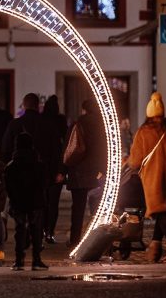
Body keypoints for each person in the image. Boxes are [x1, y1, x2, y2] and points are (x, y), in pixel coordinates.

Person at [128, 92, 166, 263]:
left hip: (153, 179)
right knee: (163, 211)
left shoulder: (143, 132)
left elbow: (135, 161)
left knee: (160, 212)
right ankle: (155, 248)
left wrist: (128, 161)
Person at [66, 98, 108, 246]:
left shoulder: (78, 123)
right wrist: (104, 169)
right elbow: (105, 149)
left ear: (84, 110)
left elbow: (69, 147)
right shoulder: (103, 125)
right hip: (95, 171)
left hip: (78, 171)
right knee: (97, 206)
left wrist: (64, 169)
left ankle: (75, 239)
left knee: (78, 208)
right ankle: (96, 239)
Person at [5, 133, 48, 271]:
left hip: (18, 200)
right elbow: (43, 183)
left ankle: (19, 260)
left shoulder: (11, 166)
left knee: (20, 229)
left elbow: (8, 186)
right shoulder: (38, 164)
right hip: (35, 200)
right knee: (36, 229)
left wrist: (13, 198)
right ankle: (36, 260)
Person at [40, 95, 67, 244]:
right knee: (53, 204)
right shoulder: (60, 121)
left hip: (42, 169)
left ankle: (42, 230)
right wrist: (62, 170)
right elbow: (64, 148)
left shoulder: (41, 121)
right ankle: (50, 232)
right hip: (56, 168)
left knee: (42, 202)